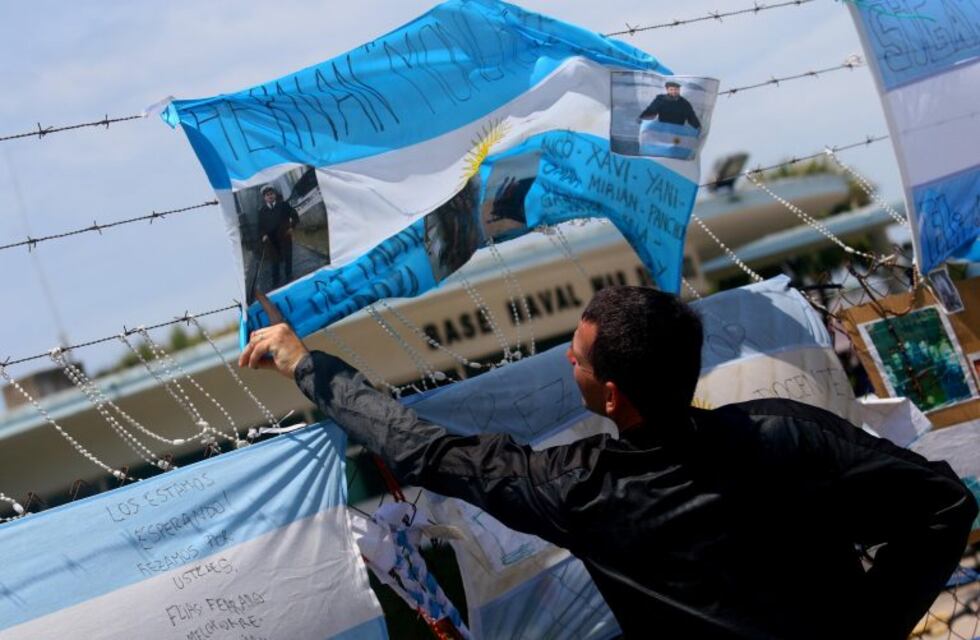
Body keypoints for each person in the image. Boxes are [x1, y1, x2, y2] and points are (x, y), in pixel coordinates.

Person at [240, 286, 977, 639]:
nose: (567, 357)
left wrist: (307, 364)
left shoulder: (581, 489)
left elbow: (421, 449)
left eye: (580, 356)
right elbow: (946, 505)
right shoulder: (787, 437)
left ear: (613, 394)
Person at [256, 185, 300, 289]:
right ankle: (276, 282)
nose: (270, 196)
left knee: (288, 257)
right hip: (271, 241)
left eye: (271, 194)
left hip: (284, 237)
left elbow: (295, 216)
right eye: (267, 195)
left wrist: (292, 227)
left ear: (275, 195)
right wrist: (263, 235)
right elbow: (260, 227)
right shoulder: (262, 211)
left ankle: (289, 276)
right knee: (274, 261)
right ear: (264, 198)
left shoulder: (284, 205)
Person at [638, 80, 702, 130]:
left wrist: (697, 127)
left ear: (679, 90)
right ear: (667, 90)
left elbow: (691, 116)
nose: (674, 91)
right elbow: (651, 110)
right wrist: (642, 118)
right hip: (663, 129)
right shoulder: (661, 99)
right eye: (671, 89)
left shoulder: (684, 103)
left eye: (676, 89)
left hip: (678, 131)